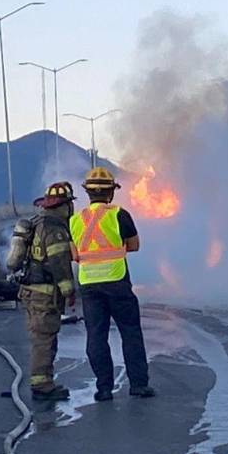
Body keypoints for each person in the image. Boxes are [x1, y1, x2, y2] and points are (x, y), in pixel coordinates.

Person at [69, 166, 155, 401]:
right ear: (111, 192)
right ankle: (138, 385)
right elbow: (134, 245)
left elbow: (73, 254)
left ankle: (104, 388)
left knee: (96, 336)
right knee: (130, 333)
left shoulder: (75, 220)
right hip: (117, 282)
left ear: (87, 193)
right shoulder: (120, 214)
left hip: (89, 286)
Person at [12, 181, 77, 401]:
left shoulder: (37, 222)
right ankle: (42, 386)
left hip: (30, 290)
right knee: (44, 339)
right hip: (44, 293)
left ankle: (43, 381)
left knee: (42, 337)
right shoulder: (55, 229)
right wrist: (69, 291)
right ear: (65, 206)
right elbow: (60, 263)